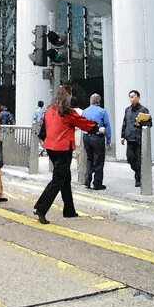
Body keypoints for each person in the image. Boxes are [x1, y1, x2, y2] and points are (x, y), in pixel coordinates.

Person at [33, 86, 98, 224]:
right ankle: (41, 207)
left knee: (65, 178)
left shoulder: (50, 109)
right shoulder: (67, 111)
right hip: (63, 148)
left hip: (50, 147)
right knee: (58, 179)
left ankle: (69, 210)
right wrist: (96, 127)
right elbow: (82, 123)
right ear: (67, 96)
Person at [121, 90, 152, 188]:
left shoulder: (143, 110)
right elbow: (124, 123)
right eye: (130, 97)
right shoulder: (127, 110)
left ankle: (138, 178)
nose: (132, 98)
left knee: (139, 160)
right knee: (130, 159)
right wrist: (122, 136)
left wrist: (141, 122)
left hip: (138, 139)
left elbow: (150, 124)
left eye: (133, 96)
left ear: (138, 98)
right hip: (129, 139)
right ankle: (138, 172)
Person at [82, 94, 112, 190]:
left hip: (86, 137)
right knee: (98, 160)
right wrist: (109, 140)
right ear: (99, 101)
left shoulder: (85, 111)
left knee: (89, 158)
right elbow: (107, 126)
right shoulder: (102, 111)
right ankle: (97, 183)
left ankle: (87, 179)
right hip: (97, 137)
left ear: (91, 101)